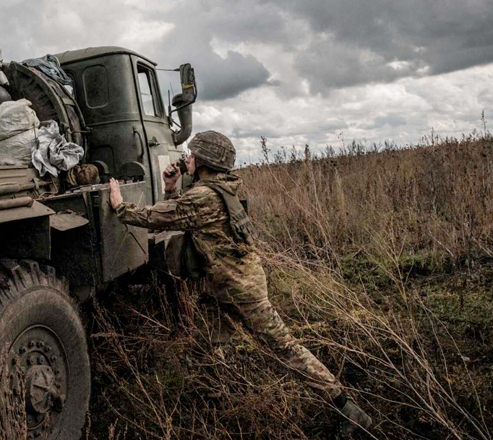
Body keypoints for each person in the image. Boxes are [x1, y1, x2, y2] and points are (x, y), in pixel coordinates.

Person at [108, 131, 372, 436]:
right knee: (208, 343)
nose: (187, 158)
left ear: (203, 161)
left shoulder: (203, 196)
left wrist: (119, 205)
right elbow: (185, 216)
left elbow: (158, 217)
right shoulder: (220, 189)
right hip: (226, 286)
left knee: (284, 347)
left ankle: (347, 408)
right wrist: (171, 188)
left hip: (240, 289)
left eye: (192, 155)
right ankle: (213, 399)